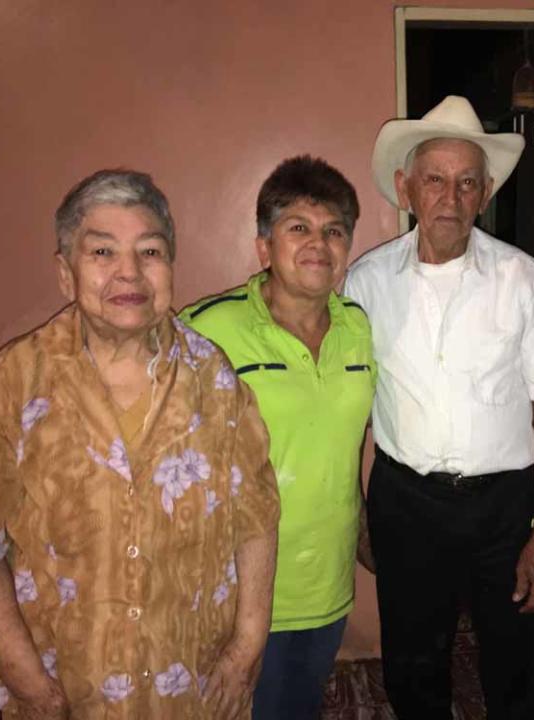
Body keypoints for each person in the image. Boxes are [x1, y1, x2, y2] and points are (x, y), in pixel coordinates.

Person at [0, 170, 280, 719]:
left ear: (170, 267)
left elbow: (257, 514)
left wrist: (247, 648)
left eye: (149, 251)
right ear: (66, 273)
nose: (128, 272)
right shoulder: (9, 387)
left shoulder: (216, 380)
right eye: (102, 251)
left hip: (194, 692)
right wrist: (31, 686)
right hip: (67, 695)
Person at [344, 95, 534, 720]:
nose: (451, 196)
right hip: (406, 503)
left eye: (467, 182)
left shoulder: (522, 278)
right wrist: (358, 512)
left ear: (485, 192)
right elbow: (352, 412)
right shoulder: (365, 283)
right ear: (406, 188)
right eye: (435, 180)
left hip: (505, 506)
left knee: (518, 664)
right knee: (413, 669)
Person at [179, 155, 374, 720]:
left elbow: (345, 446)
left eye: (335, 231)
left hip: (326, 584)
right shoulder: (207, 330)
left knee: (300, 704)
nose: (320, 243)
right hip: (235, 594)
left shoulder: (360, 330)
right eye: (299, 228)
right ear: (264, 247)